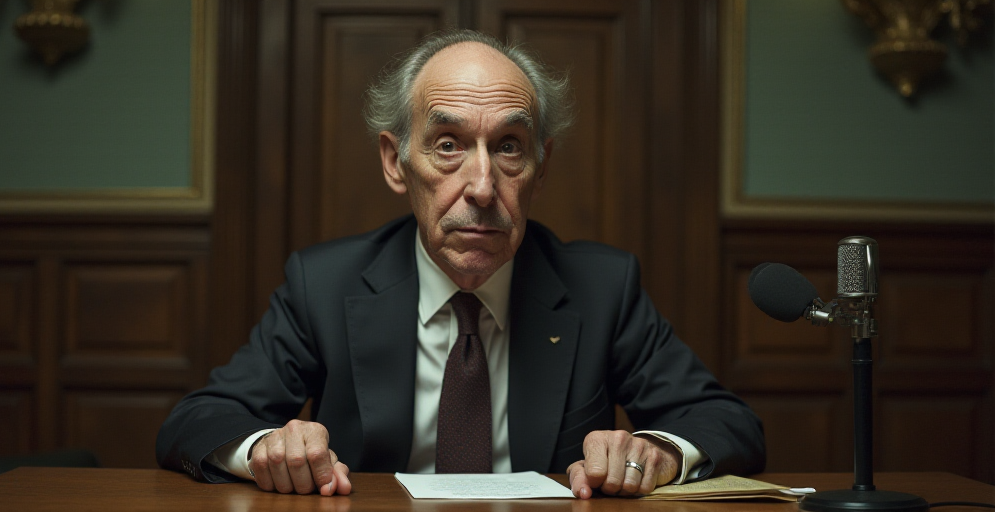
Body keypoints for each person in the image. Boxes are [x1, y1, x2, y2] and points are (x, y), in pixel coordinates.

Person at [156, 29, 765, 500]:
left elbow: (725, 423)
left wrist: (656, 451)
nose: (480, 185)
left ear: (541, 166)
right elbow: (199, 421)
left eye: (508, 147)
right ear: (396, 162)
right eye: (448, 145)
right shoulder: (326, 283)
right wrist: (268, 446)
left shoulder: (601, 287)